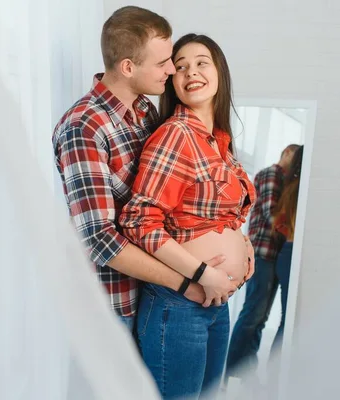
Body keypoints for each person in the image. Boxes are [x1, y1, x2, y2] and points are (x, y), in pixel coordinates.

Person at [52, 7, 226, 331]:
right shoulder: (84, 128)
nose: (171, 70)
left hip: (154, 296)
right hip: (113, 309)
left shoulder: (146, 110)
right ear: (128, 67)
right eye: (162, 63)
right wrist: (188, 281)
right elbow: (100, 240)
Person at [119, 33, 256, 399]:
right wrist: (202, 272)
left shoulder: (219, 141)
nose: (190, 72)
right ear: (172, 82)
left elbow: (209, 213)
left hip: (216, 301)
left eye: (201, 63)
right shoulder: (176, 134)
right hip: (178, 304)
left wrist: (243, 243)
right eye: (179, 67)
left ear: (220, 73)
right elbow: (138, 221)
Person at [226, 143, 299, 380]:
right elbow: (271, 214)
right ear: (287, 153)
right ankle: (232, 372)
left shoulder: (282, 178)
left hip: (271, 255)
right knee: (252, 315)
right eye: (295, 157)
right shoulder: (272, 174)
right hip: (263, 253)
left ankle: (245, 372)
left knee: (260, 318)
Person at [269, 145, 304, 358]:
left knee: (288, 320)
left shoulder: (293, 186)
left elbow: (279, 223)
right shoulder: (298, 188)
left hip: (287, 252)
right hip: (290, 254)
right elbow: (277, 222)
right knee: (289, 321)